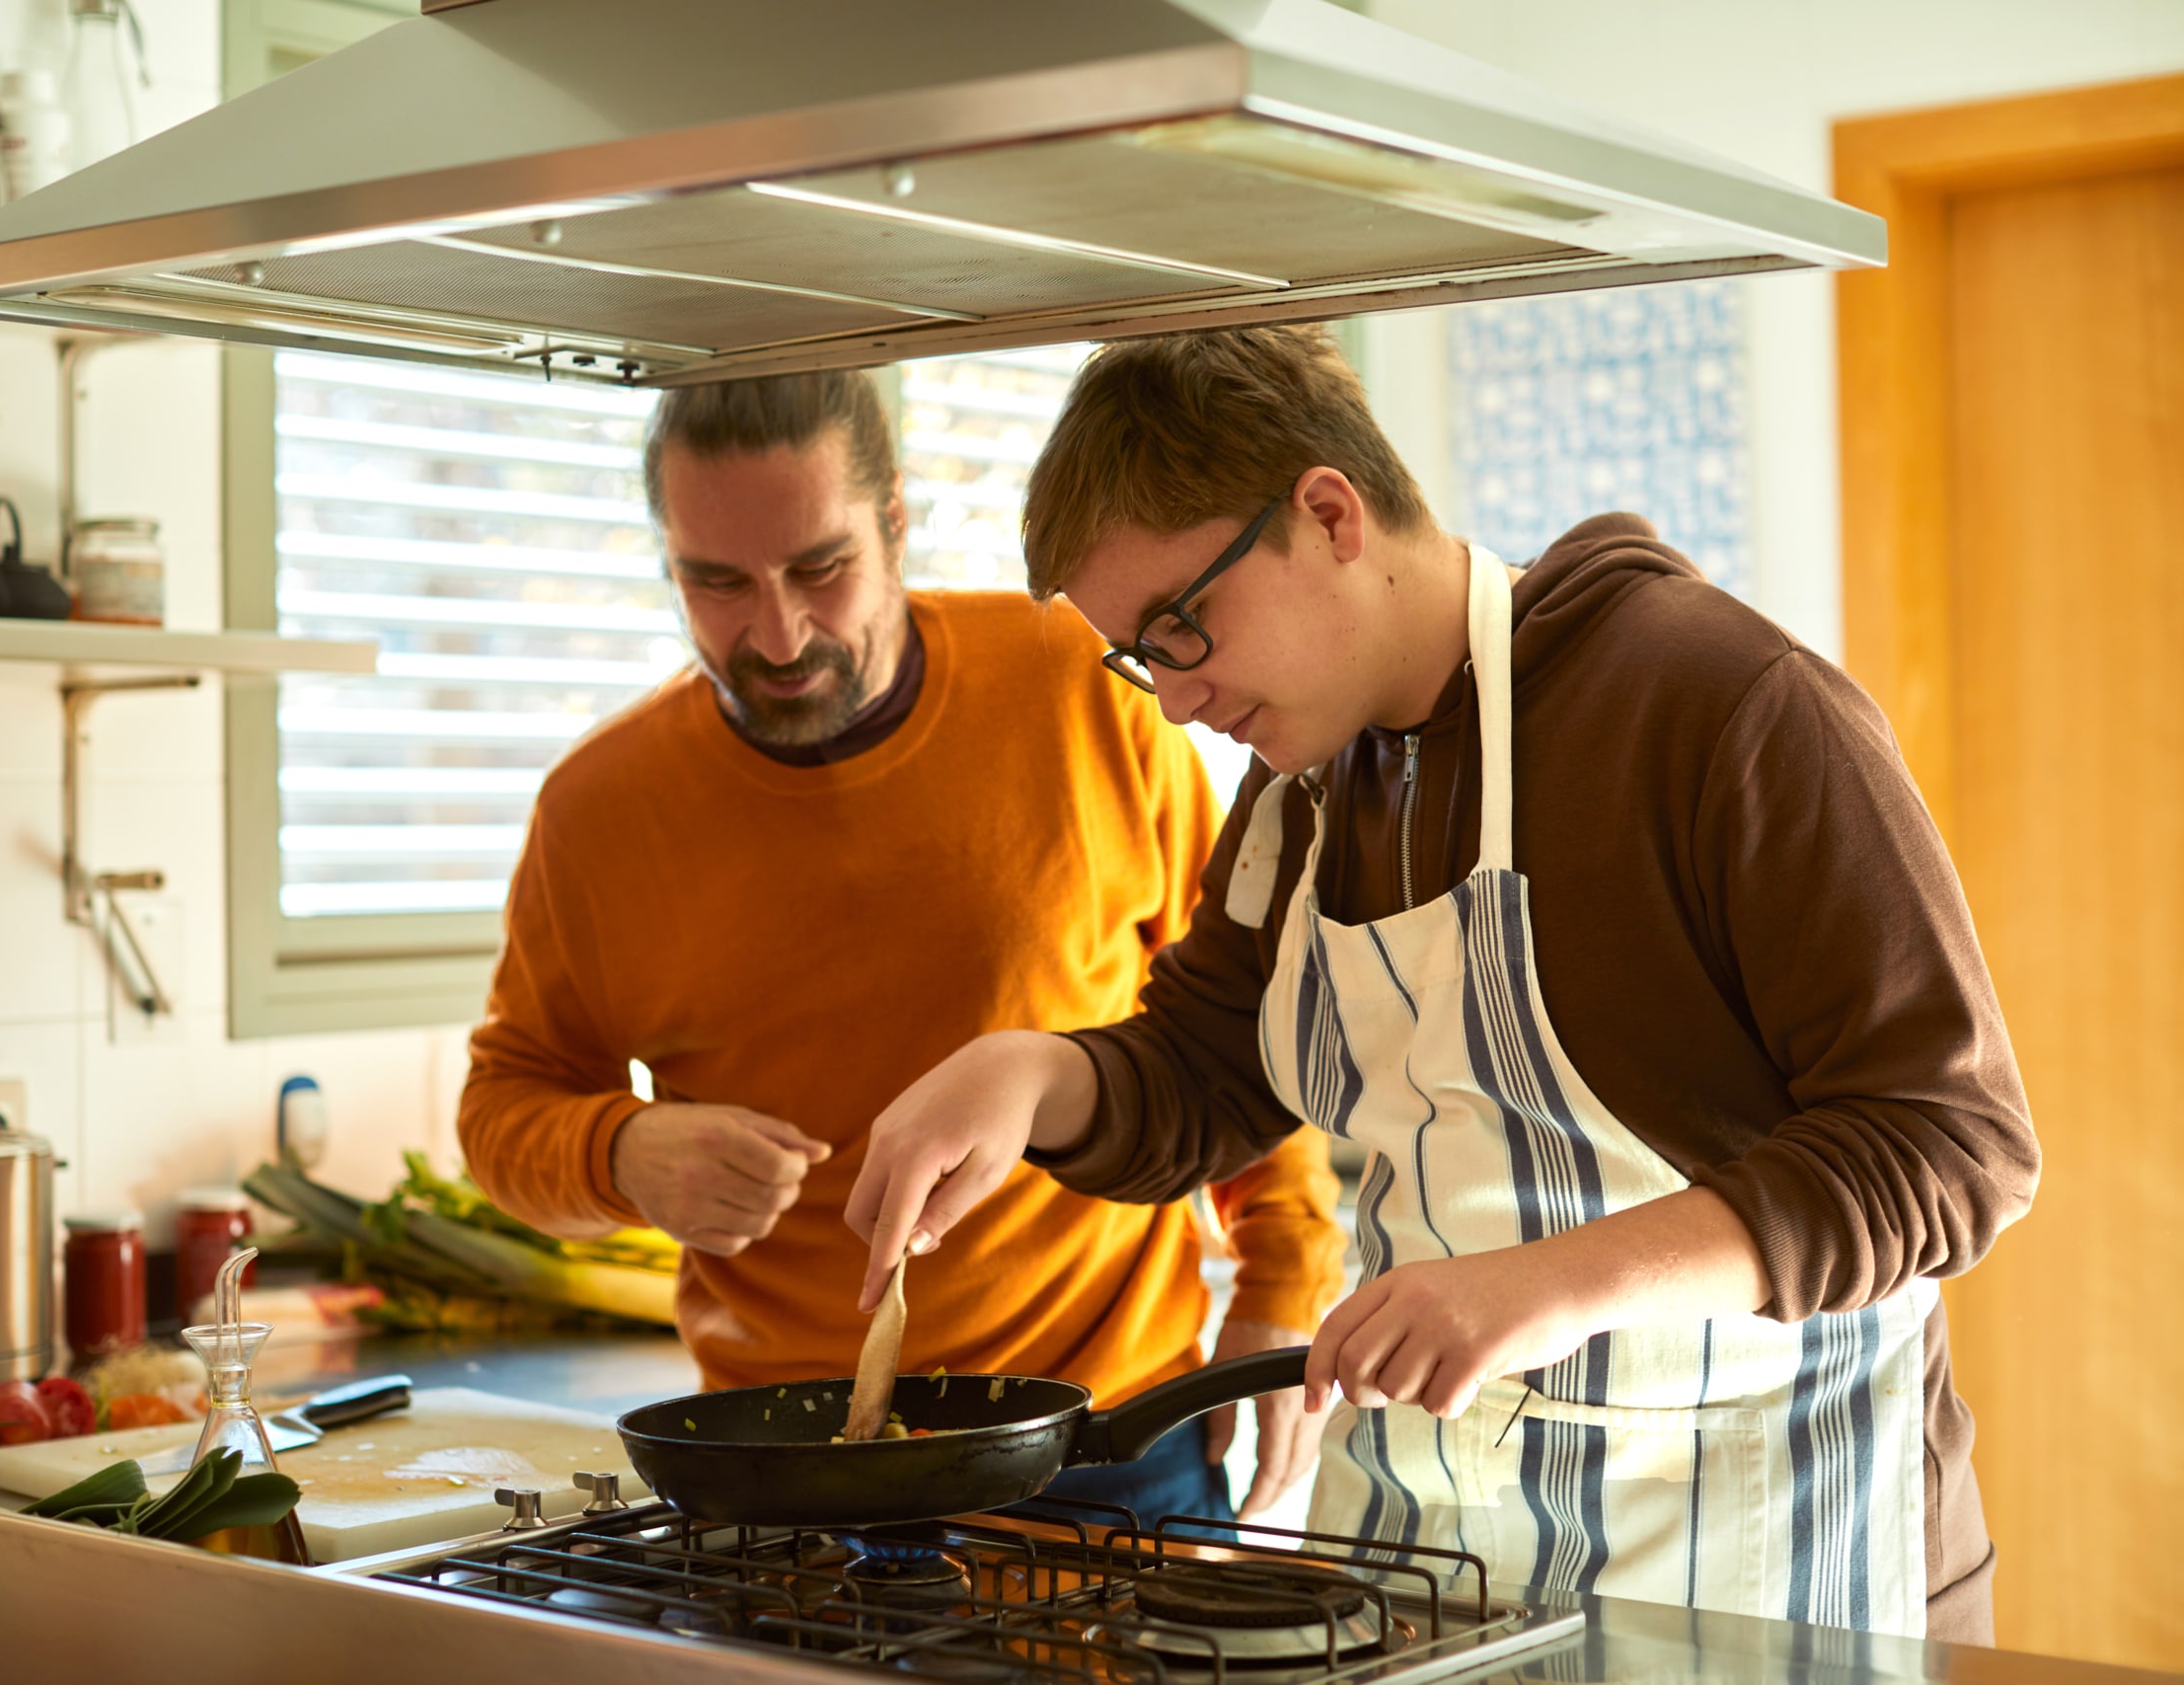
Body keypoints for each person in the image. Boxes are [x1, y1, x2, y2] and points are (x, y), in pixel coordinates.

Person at [846, 327, 2037, 1639]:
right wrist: (1032, 1074)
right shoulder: (1302, 788)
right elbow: (1203, 1072)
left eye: (1184, 626)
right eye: (1144, 656)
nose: (1178, 701)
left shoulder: (1725, 709)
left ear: (1328, 513)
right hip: (1437, 1557)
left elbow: (1952, 1143)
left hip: (1768, 1549)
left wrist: (1542, 1283)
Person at [458, 368, 1345, 1525]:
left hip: (1112, 1435)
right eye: (715, 582)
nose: (775, 634)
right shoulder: (599, 810)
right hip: (782, 1468)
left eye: (818, 569)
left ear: (893, 525)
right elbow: (501, 1109)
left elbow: (1237, 1025)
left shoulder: (1087, 686)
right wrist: (619, 1153)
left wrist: (1281, 1278)